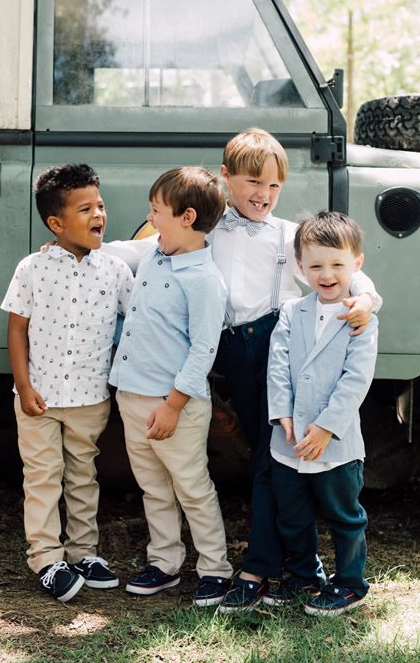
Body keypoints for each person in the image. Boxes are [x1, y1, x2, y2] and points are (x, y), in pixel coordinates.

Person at [210, 128, 382, 613]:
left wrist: (367, 299)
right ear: (226, 179)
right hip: (225, 349)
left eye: (274, 187)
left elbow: (349, 273)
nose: (263, 195)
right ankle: (289, 566)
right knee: (270, 462)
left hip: (272, 344)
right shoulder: (208, 226)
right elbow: (155, 247)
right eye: (252, 182)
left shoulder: (290, 235)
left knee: (271, 461)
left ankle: (263, 566)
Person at [1, 163, 134, 602]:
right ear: (56, 223)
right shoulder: (32, 268)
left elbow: (138, 313)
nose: (99, 213)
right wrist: (23, 386)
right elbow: (17, 329)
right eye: (85, 208)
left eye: (100, 205)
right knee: (42, 476)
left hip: (90, 397)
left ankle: (83, 552)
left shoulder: (115, 270)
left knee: (82, 475)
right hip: (37, 395)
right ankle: (45, 557)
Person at [110, 166, 234, 607]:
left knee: (191, 486)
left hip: (173, 405)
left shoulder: (204, 280)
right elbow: (121, 249)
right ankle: (164, 563)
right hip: (131, 395)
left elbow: (203, 351)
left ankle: (216, 569)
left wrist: (172, 405)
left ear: (186, 217)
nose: (150, 218)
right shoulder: (154, 252)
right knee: (153, 486)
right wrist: (73, 247)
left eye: (156, 211)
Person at [265, 211, 378, 615]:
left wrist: (327, 428)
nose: (326, 274)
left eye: (336, 265)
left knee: (344, 516)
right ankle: (304, 575)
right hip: (290, 440)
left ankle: (350, 583)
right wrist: (283, 416)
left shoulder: (360, 318)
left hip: (337, 443)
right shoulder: (292, 312)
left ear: (356, 264)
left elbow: (356, 380)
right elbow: (277, 366)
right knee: (292, 517)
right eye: (315, 266)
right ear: (300, 267)